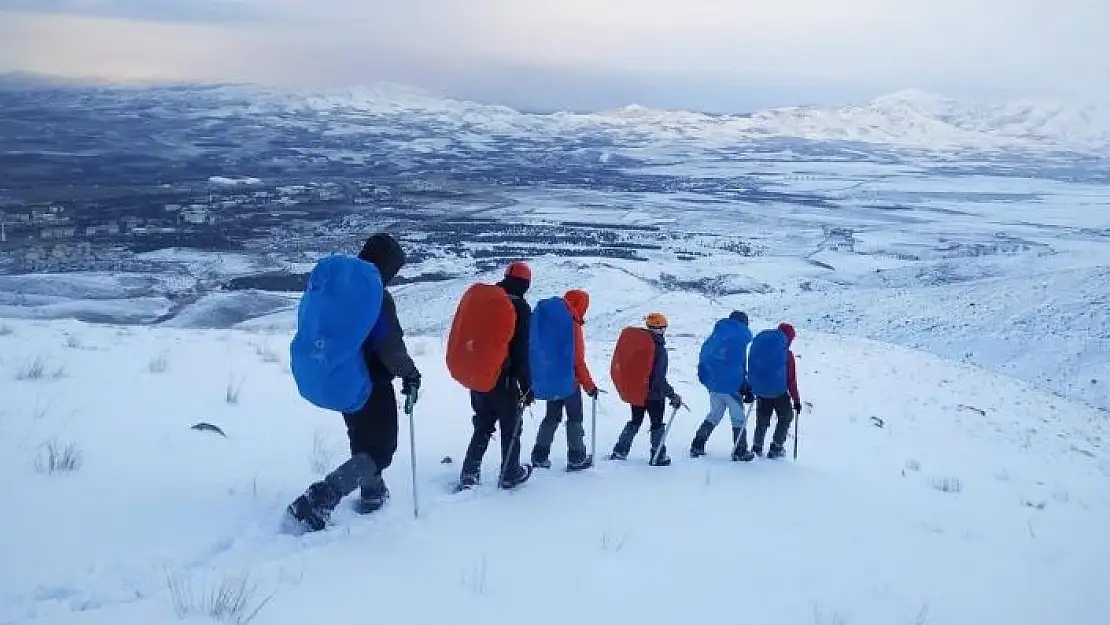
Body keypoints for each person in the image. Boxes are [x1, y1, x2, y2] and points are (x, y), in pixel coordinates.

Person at [287, 232, 421, 531]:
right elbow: (389, 345)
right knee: (380, 450)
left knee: (360, 435)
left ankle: (372, 492)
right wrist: (410, 373)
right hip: (371, 381)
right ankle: (321, 497)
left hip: (342, 375)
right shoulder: (375, 295)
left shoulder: (337, 288)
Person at [457, 262, 535, 489]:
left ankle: (469, 473)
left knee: (483, 424)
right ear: (525, 284)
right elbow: (520, 351)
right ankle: (510, 472)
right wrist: (527, 386)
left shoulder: (489, 301)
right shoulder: (520, 307)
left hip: (479, 375)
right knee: (511, 426)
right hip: (504, 379)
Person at [530, 289, 599, 471]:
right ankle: (576, 457)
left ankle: (539, 456)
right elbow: (577, 361)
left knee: (551, 417)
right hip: (570, 383)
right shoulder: (572, 324)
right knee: (575, 418)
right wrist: (590, 386)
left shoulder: (553, 323)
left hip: (551, 380)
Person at [609, 312, 683, 466]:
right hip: (654, 395)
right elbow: (658, 379)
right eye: (663, 328)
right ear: (661, 329)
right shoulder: (660, 350)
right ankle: (658, 456)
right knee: (656, 424)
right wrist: (671, 394)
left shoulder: (639, 345)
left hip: (638, 392)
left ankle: (620, 450)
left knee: (635, 420)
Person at [690, 311, 756, 461]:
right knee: (738, 418)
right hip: (731, 386)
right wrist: (745, 386)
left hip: (713, 384)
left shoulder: (718, 337)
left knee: (714, 415)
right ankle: (740, 451)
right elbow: (737, 366)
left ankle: (697, 444)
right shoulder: (737, 342)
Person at [751, 322, 802, 459]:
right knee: (786, 417)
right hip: (779, 393)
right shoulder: (787, 355)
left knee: (762, 420)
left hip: (761, 391)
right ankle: (776, 447)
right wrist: (796, 400)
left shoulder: (762, 352)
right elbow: (791, 380)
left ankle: (757, 447)